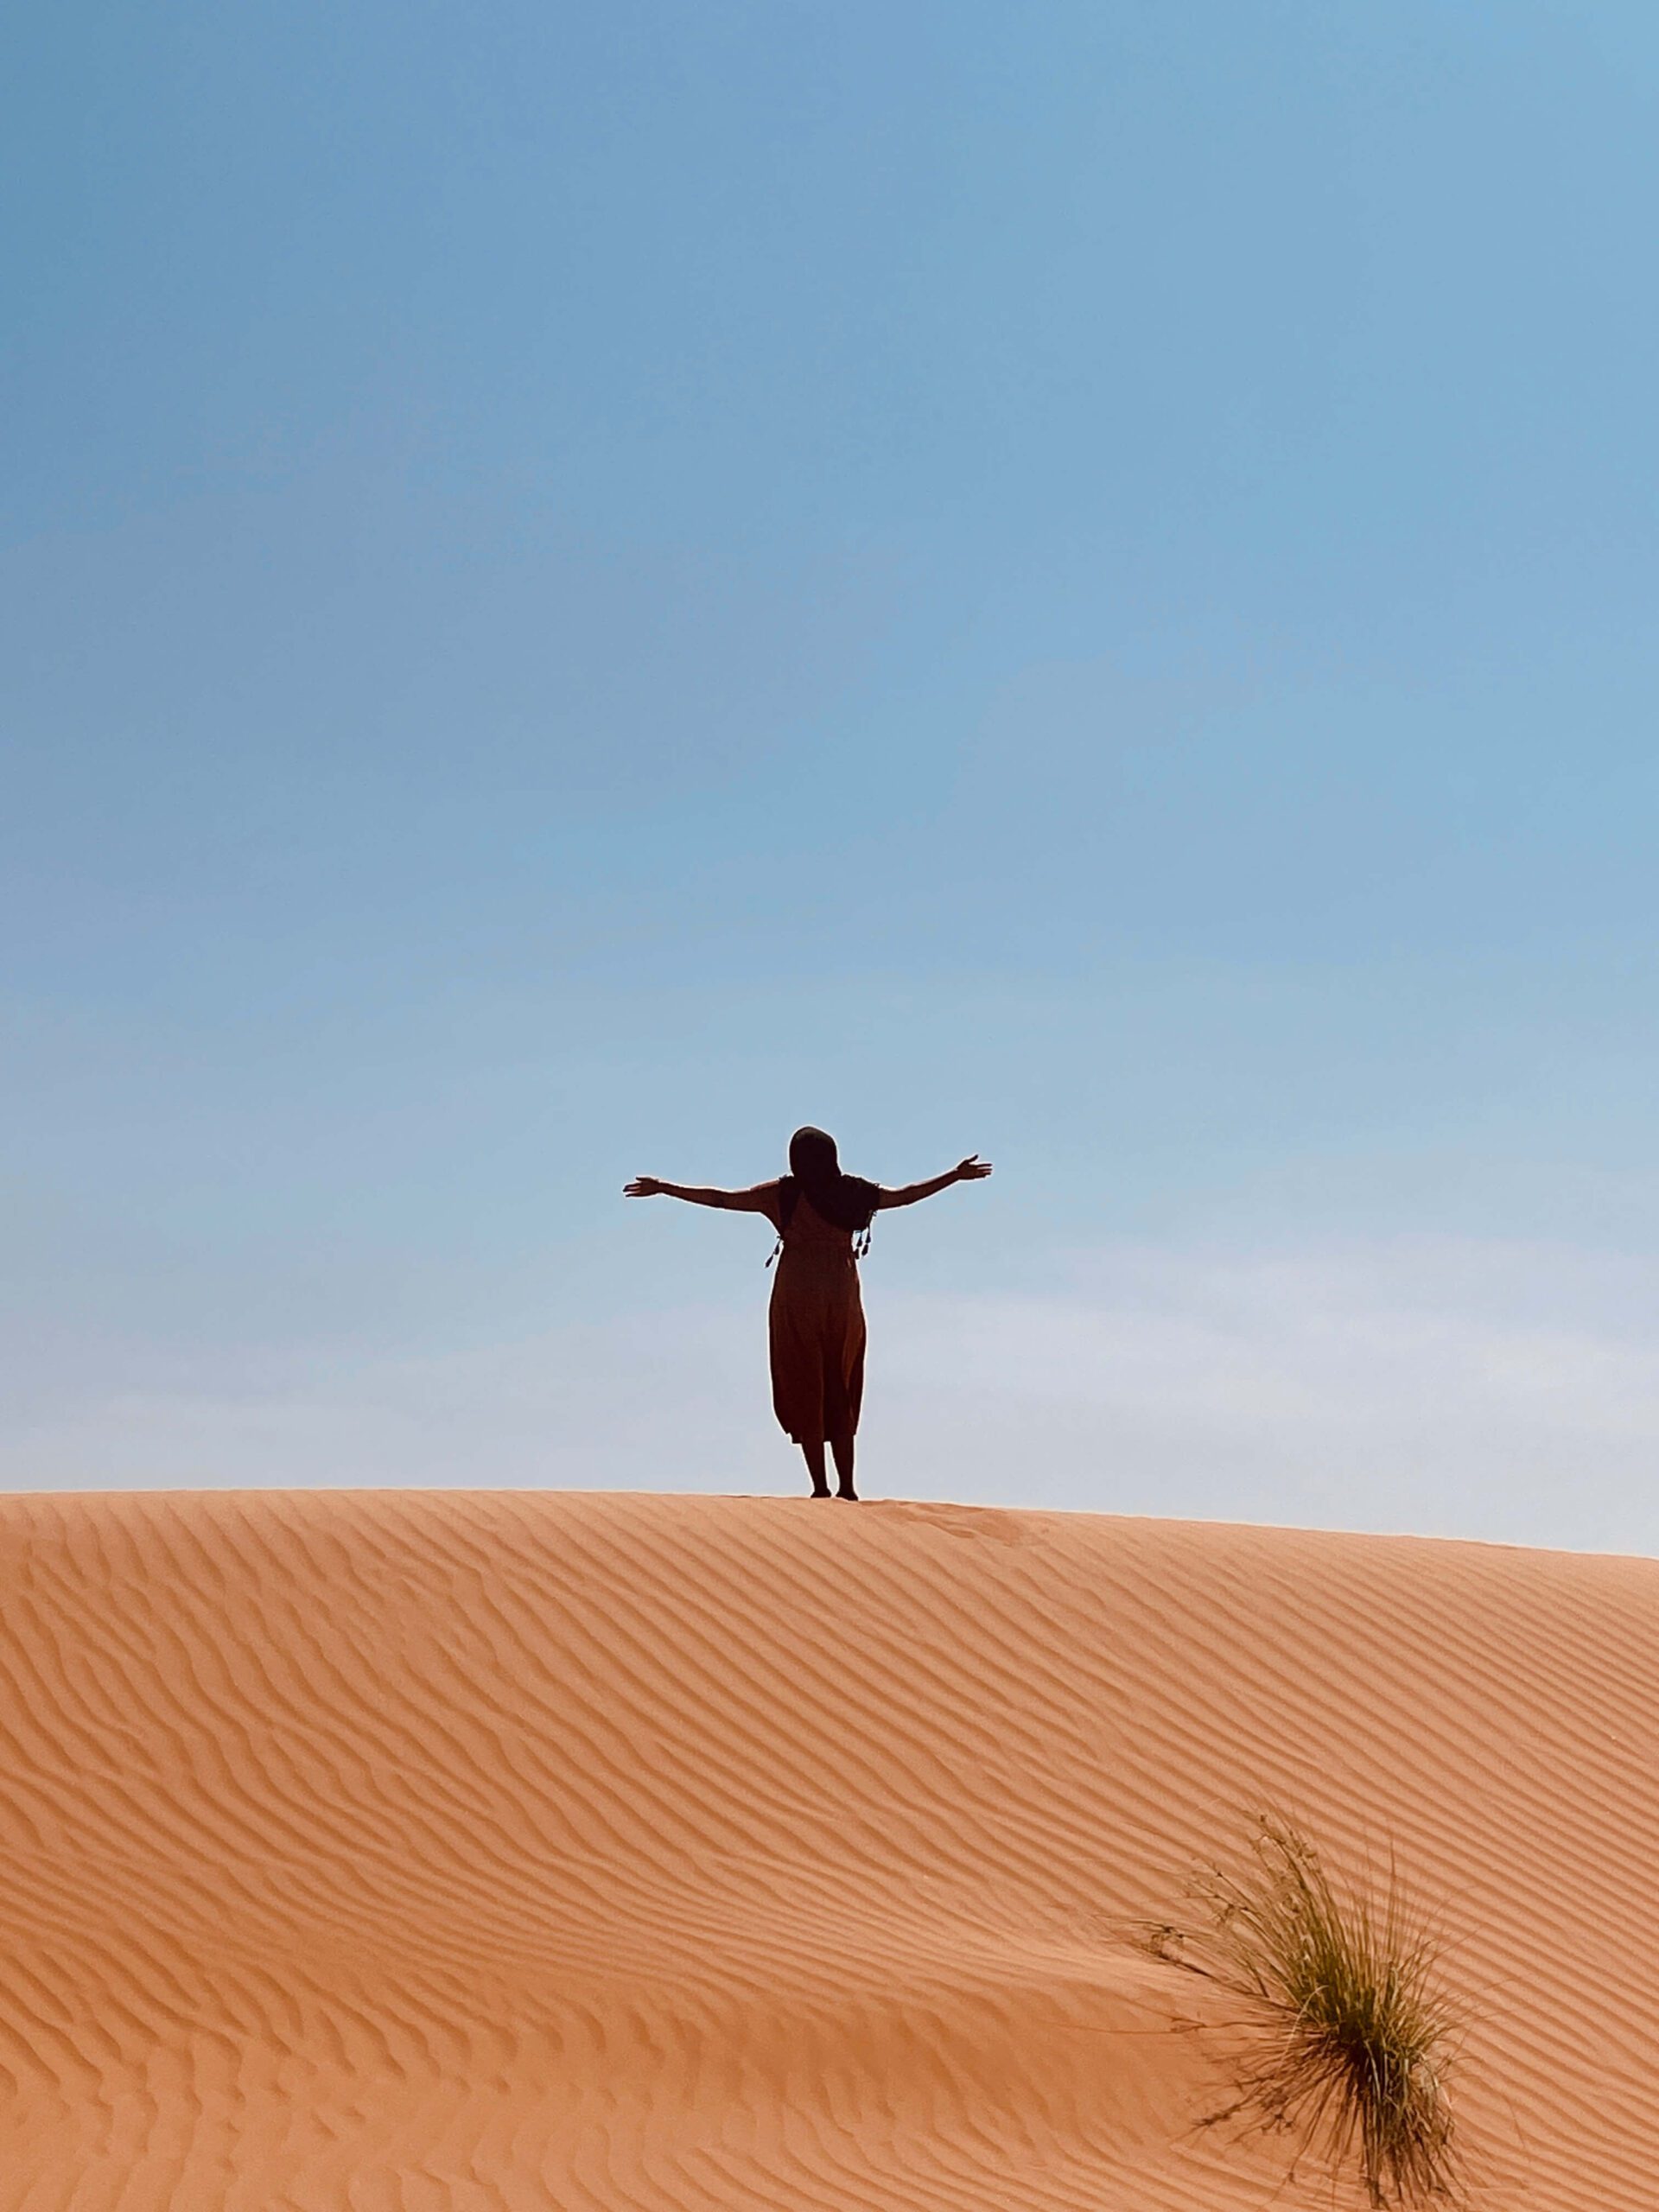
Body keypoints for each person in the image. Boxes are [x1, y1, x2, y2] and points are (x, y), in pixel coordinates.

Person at [625, 1127, 992, 1500]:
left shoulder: (783, 1194)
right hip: (841, 1296)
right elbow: (906, 1196)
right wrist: (954, 1176)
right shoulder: (851, 1192)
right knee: (838, 1382)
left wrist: (665, 1188)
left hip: (798, 1295)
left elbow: (721, 1200)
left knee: (806, 1382)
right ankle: (847, 1487)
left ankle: (821, 1487)